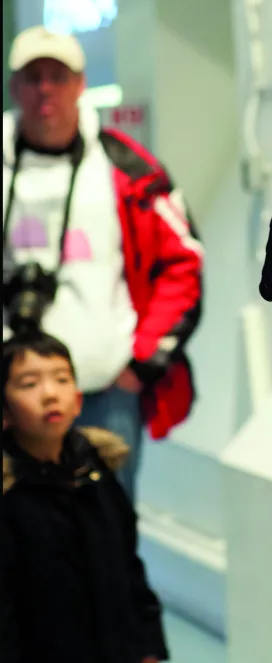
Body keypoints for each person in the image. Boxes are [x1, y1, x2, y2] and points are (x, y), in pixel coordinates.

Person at [2, 26, 204, 502]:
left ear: (80, 84)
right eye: (33, 77)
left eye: (58, 76)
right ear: (15, 87)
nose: (45, 88)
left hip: (105, 387)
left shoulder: (125, 167)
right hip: (9, 394)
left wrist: (143, 362)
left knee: (106, 529)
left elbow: (183, 263)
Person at [1, 330, 169, 663]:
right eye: (29, 384)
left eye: (61, 379)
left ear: (78, 400)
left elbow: (130, 569)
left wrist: (148, 648)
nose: (50, 394)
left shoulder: (98, 472)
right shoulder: (10, 496)